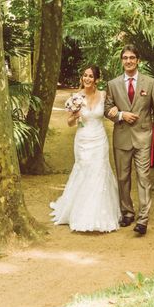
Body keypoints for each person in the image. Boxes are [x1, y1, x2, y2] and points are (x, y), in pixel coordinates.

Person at [50, 66, 121, 232]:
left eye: (90, 76)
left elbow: (112, 110)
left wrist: (116, 109)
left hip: (99, 140)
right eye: (85, 76)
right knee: (84, 171)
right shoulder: (76, 97)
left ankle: (99, 214)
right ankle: (79, 212)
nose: (87, 79)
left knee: (99, 172)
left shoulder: (103, 95)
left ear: (97, 79)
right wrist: (74, 115)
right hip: (82, 140)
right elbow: (69, 123)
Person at [105, 45, 154, 235]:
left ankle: (143, 219)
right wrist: (120, 114)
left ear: (138, 60)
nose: (128, 61)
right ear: (121, 60)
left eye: (132, 57)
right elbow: (107, 109)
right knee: (123, 178)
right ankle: (127, 212)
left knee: (143, 177)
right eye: (125, 58)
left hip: (143, 138)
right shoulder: (112, 84)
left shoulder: (150, 83)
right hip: (121, 137)